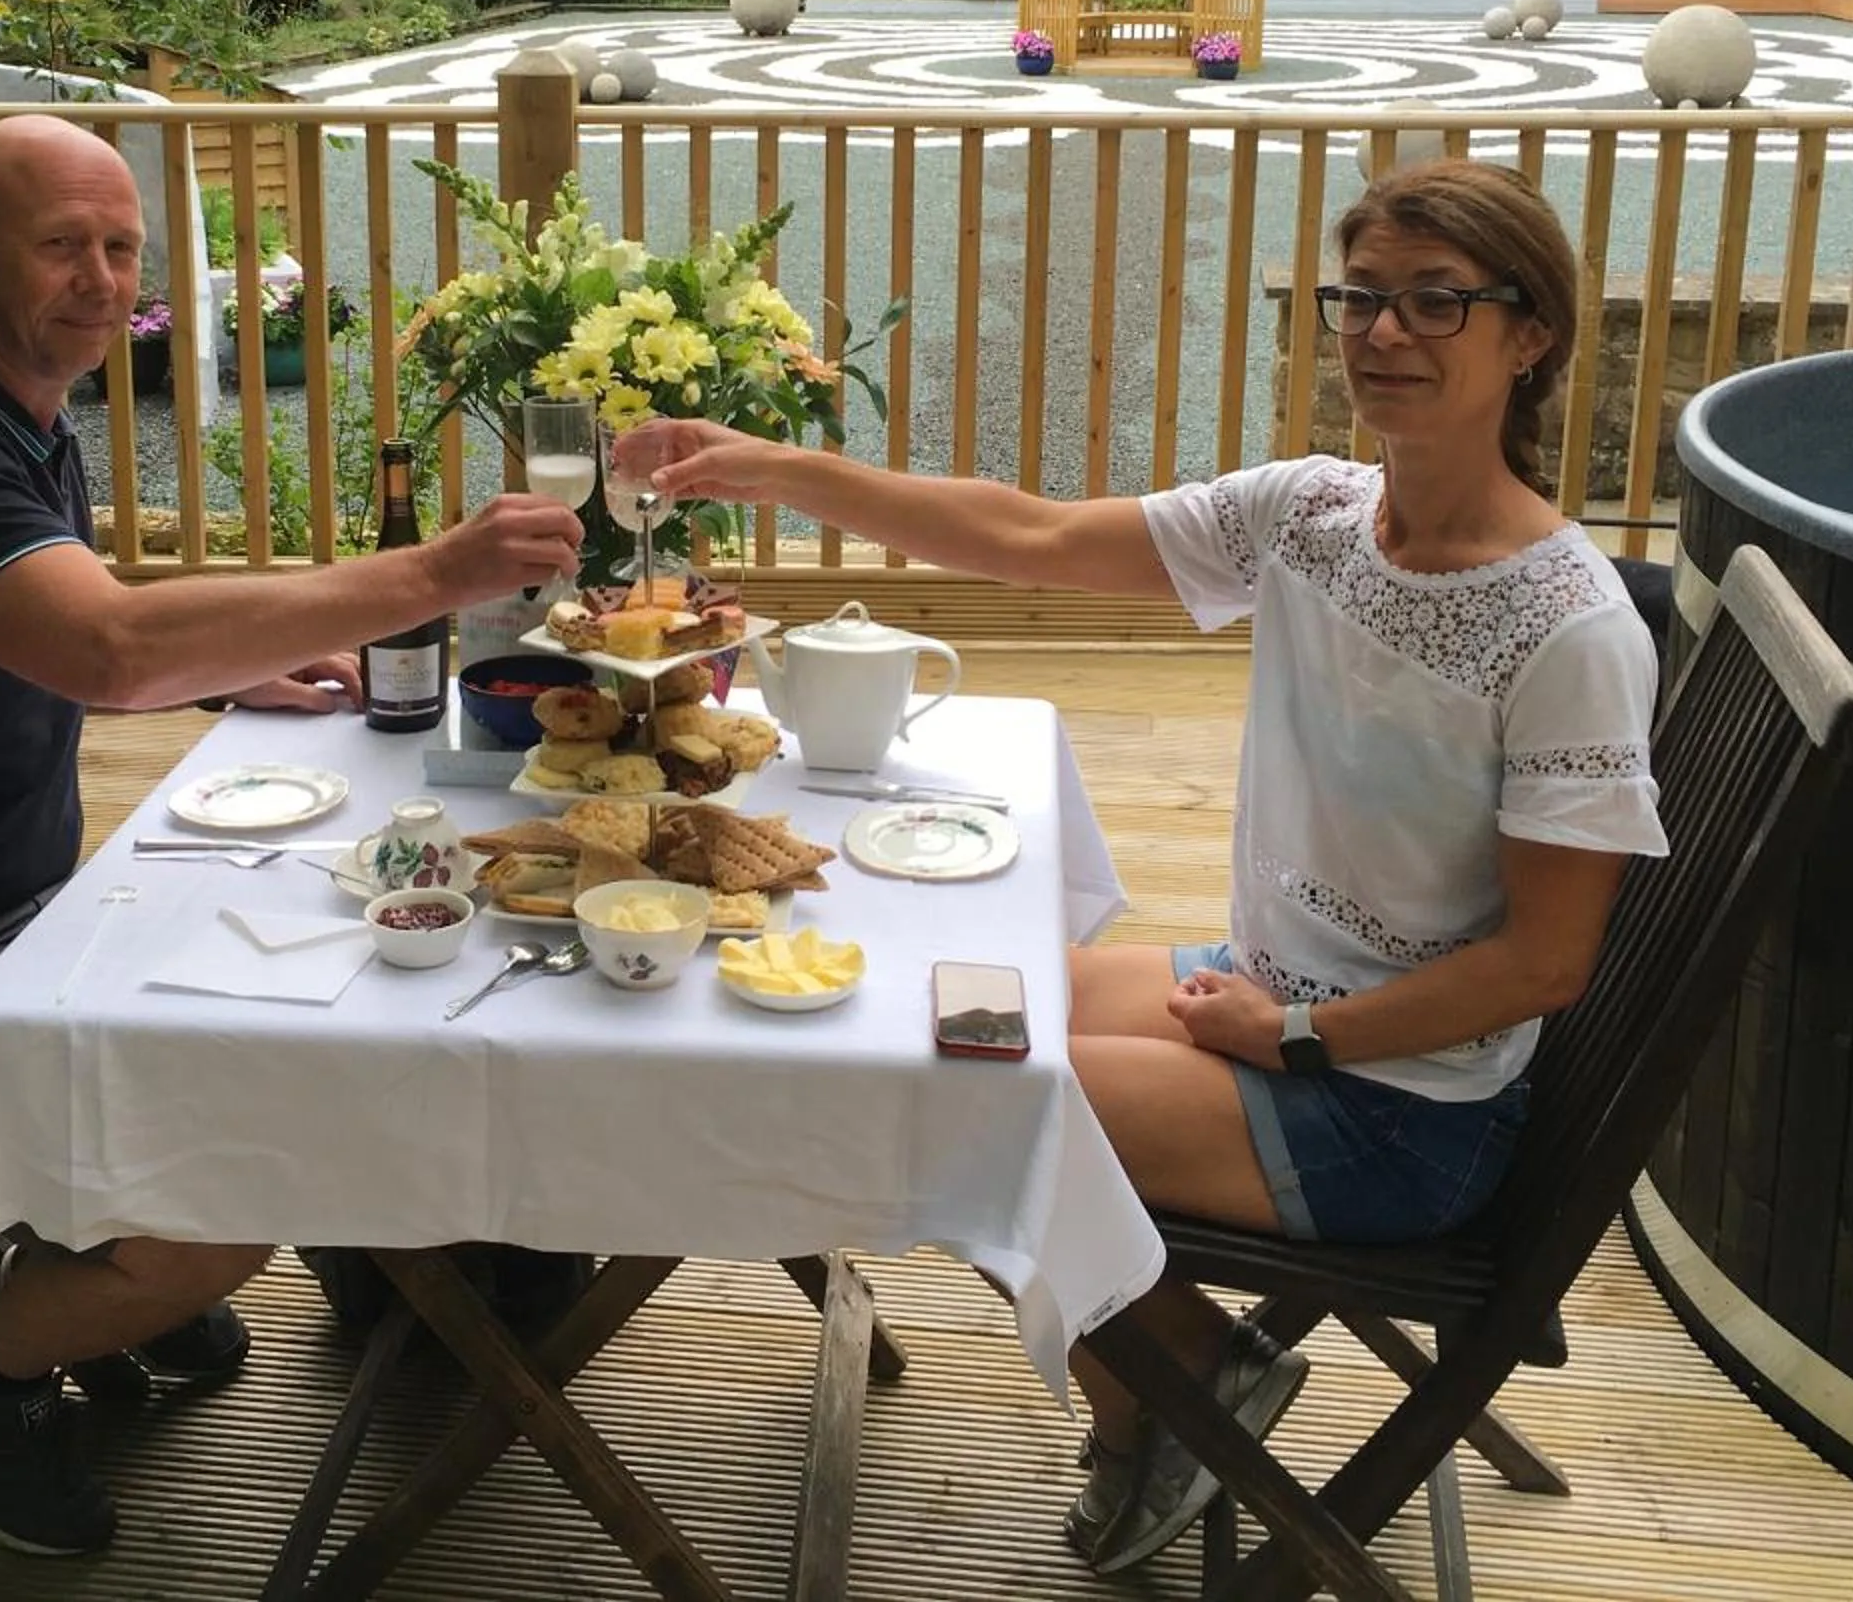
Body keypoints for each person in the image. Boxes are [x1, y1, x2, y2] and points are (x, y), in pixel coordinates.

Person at [615, 159, 1665, 1573]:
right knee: (947, 994)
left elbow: (1546, 961)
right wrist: (769, 464)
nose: (1383, 333)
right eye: (1363, 298)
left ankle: (1176, 1390)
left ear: (1530, 335)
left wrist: (1298, 1035)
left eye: (1436, 303)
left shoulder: (1567, 626)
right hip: (1274, 997)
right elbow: (1033, 533)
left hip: (1397, 1103)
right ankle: (1181, 1369)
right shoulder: (1315, 513)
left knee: (971, 1098)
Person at [0, 114, 580, 1558]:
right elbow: (108, 649)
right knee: (250, 1150)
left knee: (328, 963)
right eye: (63, 245)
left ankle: (129, 1271)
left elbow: (78, 625)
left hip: (8, 925)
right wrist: (432, 571)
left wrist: (211, 665)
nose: (102, 280)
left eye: (122, 249)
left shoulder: (4, 416)